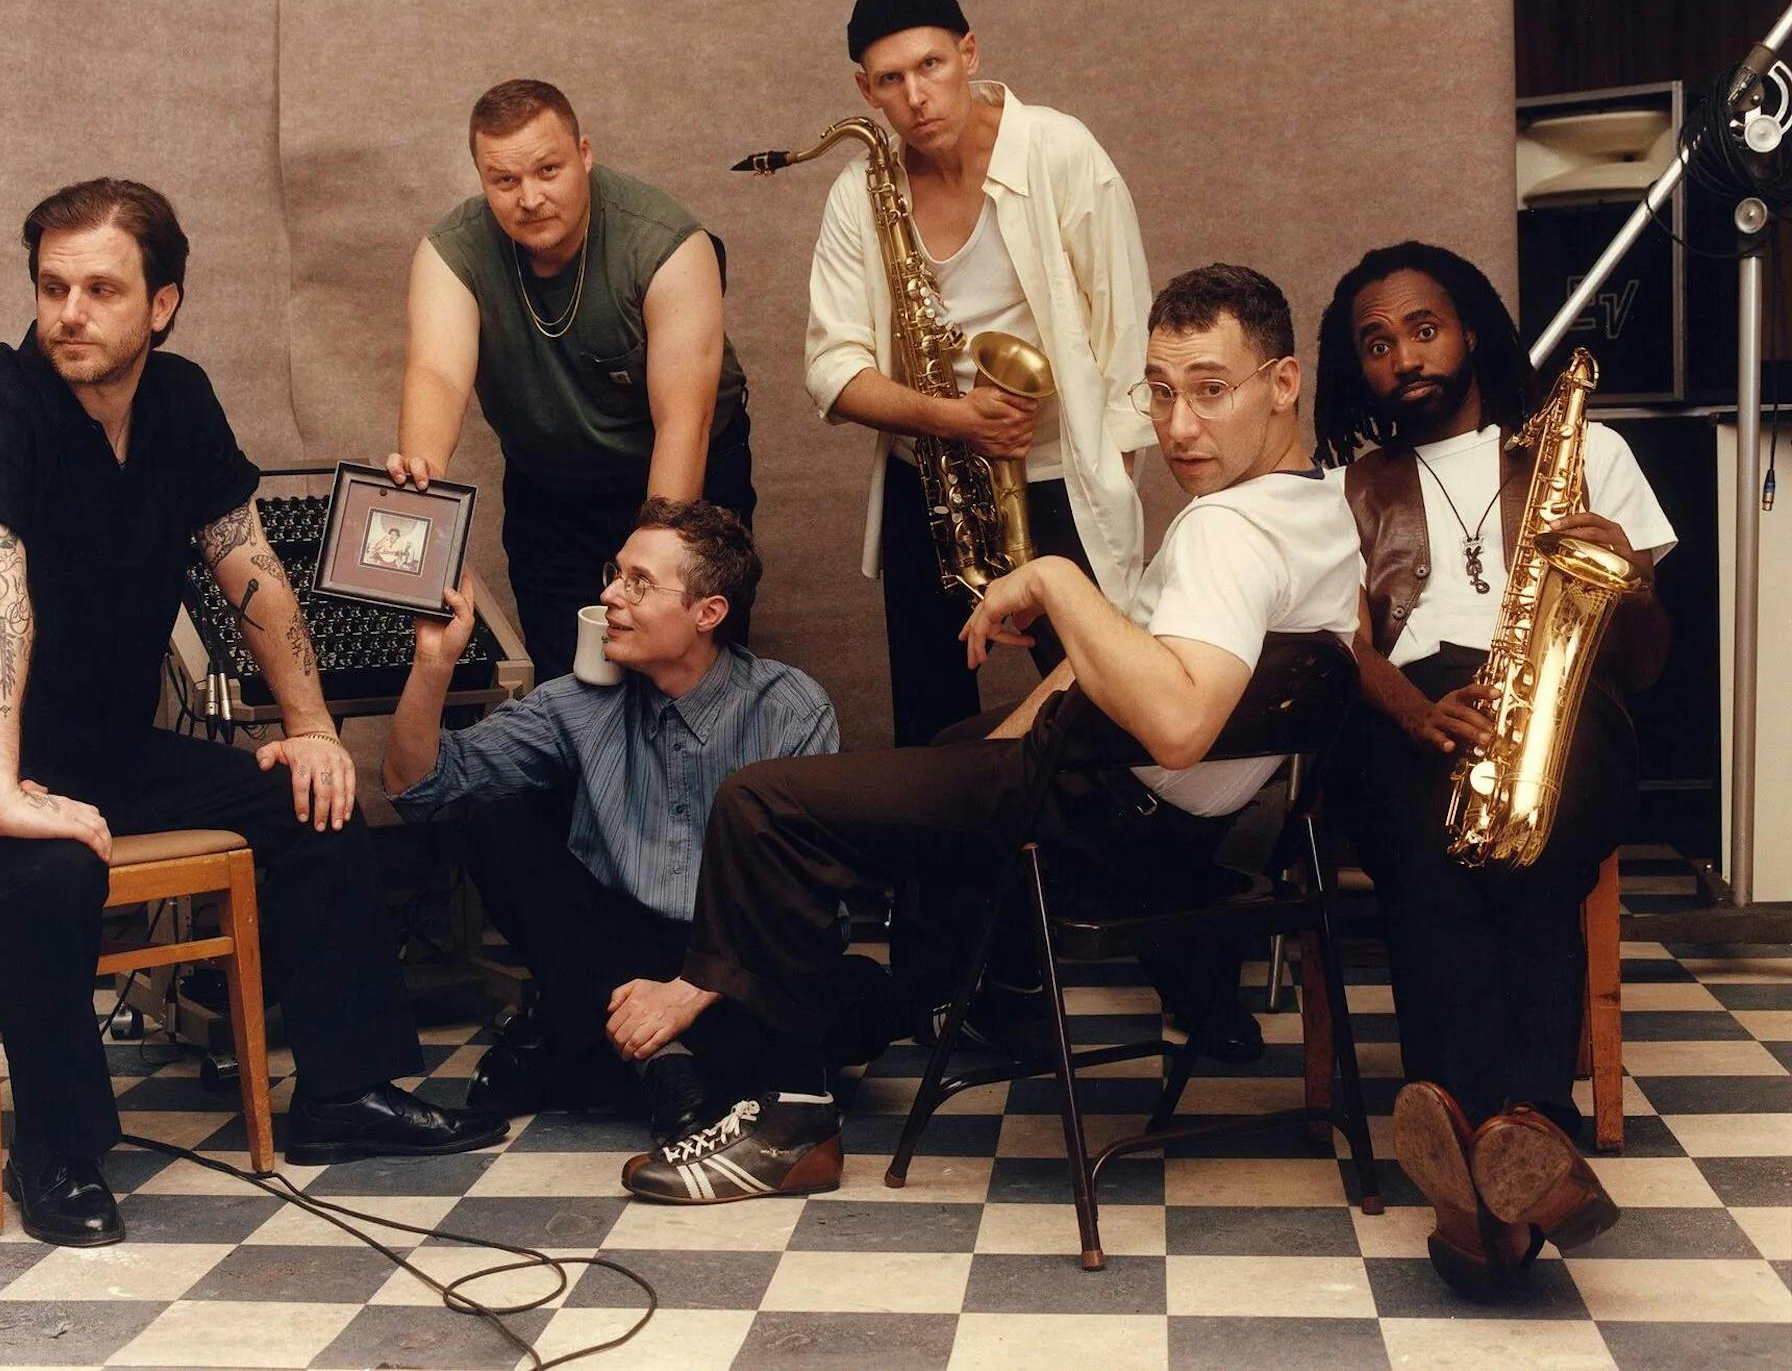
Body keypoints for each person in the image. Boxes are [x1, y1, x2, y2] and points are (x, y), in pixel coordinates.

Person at [0, 180, 503, 1249]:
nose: (69, 313)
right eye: (53, 287)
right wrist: (4, 796)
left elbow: (250, 569)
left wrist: (315, 728)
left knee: (304, 797)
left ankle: (345, 1092)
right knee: (49, 864)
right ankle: (62, 1152)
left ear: (164, 304)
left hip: (86, 748)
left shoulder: (178, 403)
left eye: (100, 289)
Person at [608, 265, 1360, 1204]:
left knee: (763, 804)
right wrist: (994, 749)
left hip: (1106, 826)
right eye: (1160, 393)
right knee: (951, 742)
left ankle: (791, 1115)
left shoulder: (1227, 533)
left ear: (1283, 383)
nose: (1177, 427)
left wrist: (1052, 577)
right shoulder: (1324, 510)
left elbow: (1173, 722)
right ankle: (940, 999)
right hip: (1184, 835)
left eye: (1211, 390)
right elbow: (1146, 656)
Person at [1312, 241, 1675, 1297]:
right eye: (1374, 344)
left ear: (1468, 329)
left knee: (1534, 845)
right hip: (1409, 711)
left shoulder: (1586, 452)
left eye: (1421, 328)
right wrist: (1419, 713)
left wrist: (1632, 588)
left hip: (1564, 704)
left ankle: (1474, 1157)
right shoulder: (1346, 488)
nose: (1401, 358)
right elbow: (1340, 646)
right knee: (1434, 858)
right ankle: (1519, 1144)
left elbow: (1647, 671)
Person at [381, 499, 884, 1145]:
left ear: (708, 612)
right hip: (616, 950)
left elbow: (803, 898)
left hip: (741, 956)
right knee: (495, 821)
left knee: (864, 999)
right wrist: (434, 662)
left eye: (638, 582)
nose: (610, 594)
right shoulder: (580, 701)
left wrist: (693, 989)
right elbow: (418, 786)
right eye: (615, 573)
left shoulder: (791, 708)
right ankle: (666, 1065)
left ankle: (579, 1037)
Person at [805, 0, 1156, 747]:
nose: (917, 96)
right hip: (927, 481)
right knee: (929, 723)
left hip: (1059, 473)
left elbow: (1127, 338)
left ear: (970, 51)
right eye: (891, 80)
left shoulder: (1061, 152)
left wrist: (1113, 497)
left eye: (931, 65)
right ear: (867, 91)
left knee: (1099, 713)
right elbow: (831, 369)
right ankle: (952, 871)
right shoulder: (860, 192)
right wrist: (957, 419)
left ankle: (1099, 869)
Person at [390, 79, 754, 680]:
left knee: (683, 673)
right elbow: (436, 373)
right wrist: (422, 502)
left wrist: (645, 575)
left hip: (681, 477)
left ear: (584, 154)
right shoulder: (451, 250)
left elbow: (682, 423)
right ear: (482, 178)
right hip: (551, 489)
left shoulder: (668, 244)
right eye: (504, 181)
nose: (529, 198)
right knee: (570, 682)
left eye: (548, 170)